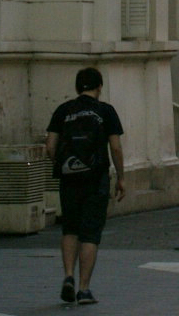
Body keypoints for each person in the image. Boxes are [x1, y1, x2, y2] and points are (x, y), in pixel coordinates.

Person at [45, 67, 125, 307]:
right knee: (90, 233)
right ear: (99, 87)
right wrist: (121, 177)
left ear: (77, 87)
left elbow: (50, 146)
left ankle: (68, 275)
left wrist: (64, 164)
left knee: (70, 228)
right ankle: (84, 289)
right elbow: (116, 147)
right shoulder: (106, 111)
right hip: (96, 179)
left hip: (69, 179)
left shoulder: (63, 110)